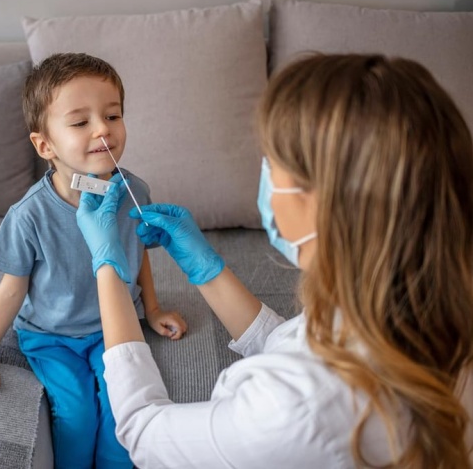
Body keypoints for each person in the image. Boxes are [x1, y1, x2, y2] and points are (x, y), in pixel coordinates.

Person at [76, 53, 473, 468]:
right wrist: (207, 269)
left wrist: (107, 266)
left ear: (326, 203)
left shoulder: (293, 411)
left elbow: (144, 433)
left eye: (272, 162)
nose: (263, 173)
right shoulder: (418, 311)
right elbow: (300, 349)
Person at [0, 52, 187, 469]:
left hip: (113, 328)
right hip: (51, 336)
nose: (103, 129)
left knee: (122, 413)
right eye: (81, 122)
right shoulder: (29, 215)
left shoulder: (132, 190)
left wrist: (151, 309)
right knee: (78, 417)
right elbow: (13, 289)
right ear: (45, 145)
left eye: (113, 115)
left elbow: (136, 252)